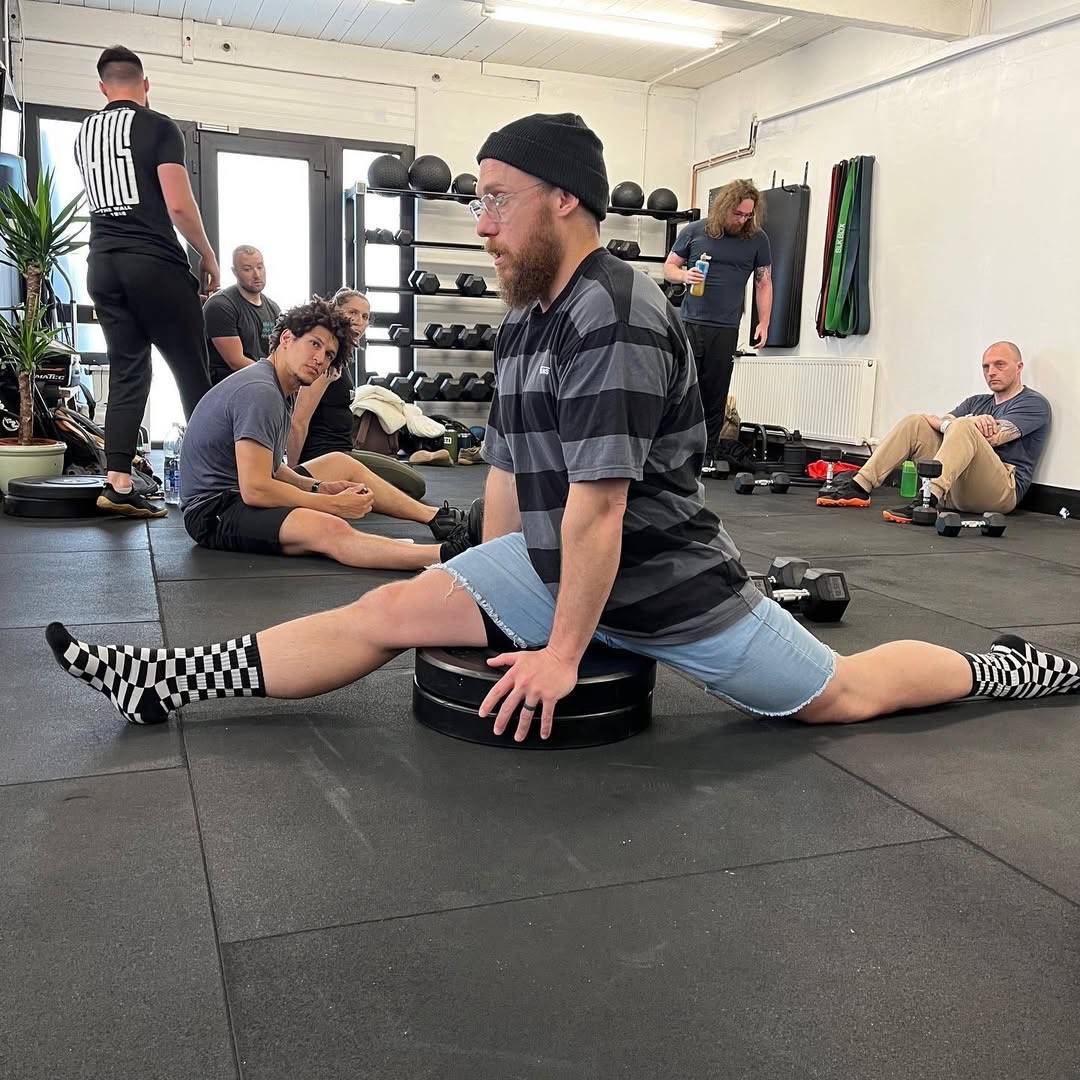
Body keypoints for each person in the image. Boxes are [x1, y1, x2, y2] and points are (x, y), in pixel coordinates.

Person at [47, 114, 1080, 734]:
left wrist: (560, 652)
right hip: (557, 564)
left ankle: (1004, 667)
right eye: (479, 202)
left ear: (567, 203)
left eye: (499, 200)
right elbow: (506, 482)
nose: (482, 223)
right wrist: (492, 586)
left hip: (666, 585)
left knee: (839, 695)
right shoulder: (527, 319)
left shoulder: (616, 315)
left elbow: (600, 512)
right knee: (383, 614)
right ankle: (165, 679)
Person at [178, 295, 482, 569]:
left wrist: (317, 487)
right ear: (286, 338)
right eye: (314, 344)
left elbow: (273, 469)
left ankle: (437, 518)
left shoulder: (277, 386)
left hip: (239, 493)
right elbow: (256, 489)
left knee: (340, 462)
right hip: (213, 511)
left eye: (328, 355)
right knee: (329, 528)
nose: (320, 359)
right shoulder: (261, 391)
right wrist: (331, 504)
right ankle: (449, 555)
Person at [74, 44, 219, 519]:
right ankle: (215, 480)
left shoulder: (84, 133)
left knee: (128, 371)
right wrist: (207, 253)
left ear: (103, 88)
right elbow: (177, 204)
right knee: (192, 370)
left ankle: (117, 483)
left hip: (102, 266)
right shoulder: (159, 126)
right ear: (146, 84)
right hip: (153, 265)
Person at [817, 341, 1051, 522]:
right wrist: (954, 424)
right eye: (986, 367)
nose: (991, 372)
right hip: (957, 486)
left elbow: (993, 437)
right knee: (916, 422)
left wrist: (959, 424)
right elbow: (942, 422)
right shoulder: (976, 402)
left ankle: (928, 500)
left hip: (1001, 492)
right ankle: (860, 486)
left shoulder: (1033, 403)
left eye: (1000, 365)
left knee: (962, 425)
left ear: (1019, 367)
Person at [664, 178, 772, 468]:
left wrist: (764, 322)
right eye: (737, 213)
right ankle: (675, 454)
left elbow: (763, 282)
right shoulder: (695, 231)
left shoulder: (757, 239)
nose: (742, 220)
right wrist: (684, 276)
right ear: (724, 207)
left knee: (716, 393)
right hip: (691, 322)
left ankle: (707, 455)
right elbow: (670, 267)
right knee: (685, 390)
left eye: (748, 215)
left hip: (726, 327)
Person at [287, 287, 367, 467]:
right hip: (323, 456)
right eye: (352, 313)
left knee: (406, 474)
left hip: (344, 452)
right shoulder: (326, 362)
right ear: (336, 313)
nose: (359, 321)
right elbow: (298, 422)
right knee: (410, 481)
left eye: (365, 316)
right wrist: (293, 473)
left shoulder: (340, 359)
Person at [203, 246, 282, 385]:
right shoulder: (220, 306)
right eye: (247, 269)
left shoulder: (273, 308)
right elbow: (236, 362)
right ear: (235, 272)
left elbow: (279, 353)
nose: (257, 275)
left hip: (263, 382)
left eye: (260, 267)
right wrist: (277, 376)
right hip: (230, 386)